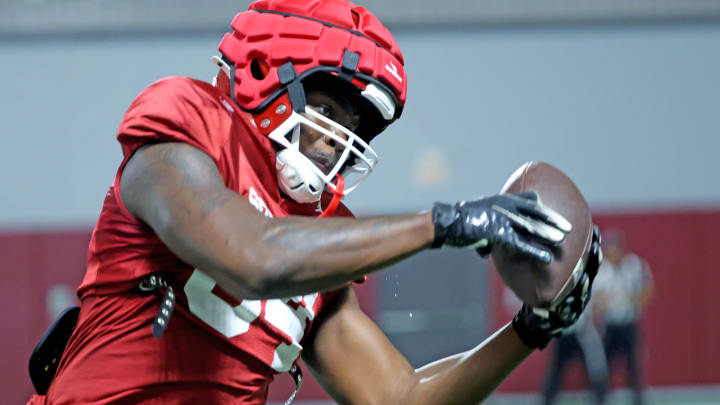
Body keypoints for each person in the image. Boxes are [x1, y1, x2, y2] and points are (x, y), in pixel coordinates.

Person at [31, 1, 602, 404]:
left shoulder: (320, 233)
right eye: (328, 110)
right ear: (264, 74)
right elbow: (251, 258)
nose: (338, 140)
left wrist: (531, 329)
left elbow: (397, 398)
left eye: (353, 125)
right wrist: (442, 224)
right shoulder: (186, 125)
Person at [593, 229, 653, 405]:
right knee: (604, 369)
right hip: (610, 325)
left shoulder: (633, 265)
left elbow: (648, 289)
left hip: (629, 323)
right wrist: (604, 304)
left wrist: (636, 300)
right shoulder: (602, 271)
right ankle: (601, 400)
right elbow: (595, 302)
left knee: (634, 368)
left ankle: (638, 400)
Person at [540, 310, 608, 405]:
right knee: (555, 372)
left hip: (581, 331)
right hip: (563, 333)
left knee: (595, 367)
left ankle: (600, 398)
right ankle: (547, 400)